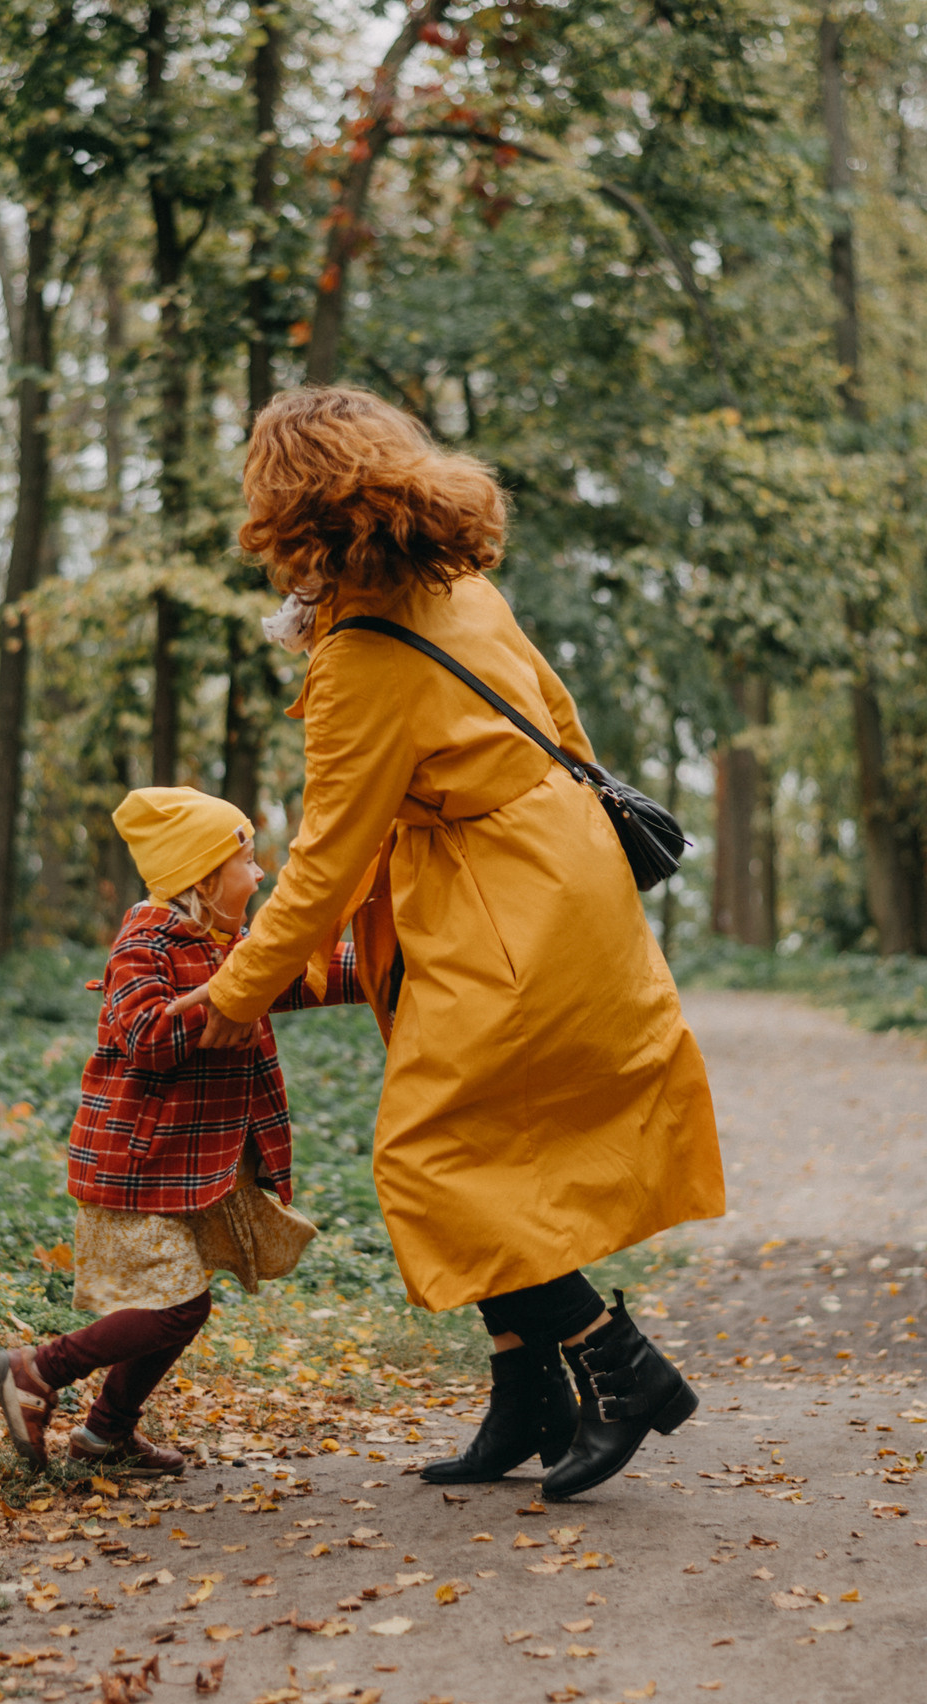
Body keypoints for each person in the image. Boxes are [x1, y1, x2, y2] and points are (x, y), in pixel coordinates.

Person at [165, 386, 723, 1501]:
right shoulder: (460, 586)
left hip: (492, 905)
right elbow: (565, 727)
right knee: (483, 1142)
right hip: (560, 879)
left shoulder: (361, 656)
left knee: (433, 1160)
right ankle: (530, 1397)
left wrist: (233, 993)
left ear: (289, 508)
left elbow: (323, 861)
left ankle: (622, 1368)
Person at [0, 787, 356, 1476]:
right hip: (136, 1159)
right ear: (205, 878)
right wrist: (224, 996)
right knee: (176, 1308)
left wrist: (392, 967)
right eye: (246, 861)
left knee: (181, 1305)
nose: (259, 874)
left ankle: (105, 1435)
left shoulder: (231, 944)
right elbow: (144, 1035)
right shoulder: (144, 938)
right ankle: (35, 1370)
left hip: (187, 1165)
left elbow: (304, 973)